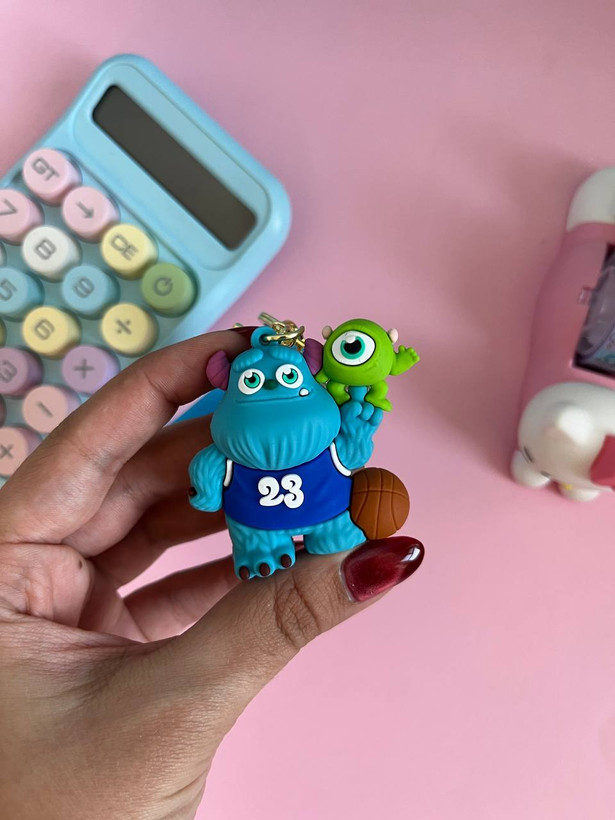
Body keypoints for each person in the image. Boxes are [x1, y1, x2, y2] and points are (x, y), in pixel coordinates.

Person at [0, 329, 423, 818]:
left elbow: (352, 452)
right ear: (229, 389)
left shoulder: (320, 437)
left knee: (334, 537)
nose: (271, 389)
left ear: (309, 380)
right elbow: (205, 479)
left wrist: (358, 423)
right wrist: (205, 490)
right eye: (252, 383)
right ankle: (265, 553)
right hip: (256, 526)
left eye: (289, 378)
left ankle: (318, 540)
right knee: (262, 547)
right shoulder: (224, 452)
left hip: (327, 510)